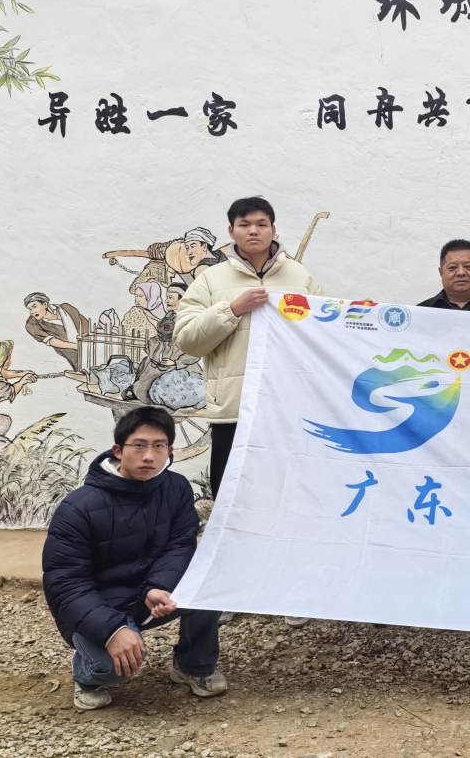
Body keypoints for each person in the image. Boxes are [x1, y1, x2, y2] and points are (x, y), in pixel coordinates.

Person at [175, 197, 322, 628]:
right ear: (231, 231)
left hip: (288, 412)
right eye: (244, 224)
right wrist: (231, 309)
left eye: (261, 223)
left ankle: (291, 589)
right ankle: (234, 589)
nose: (253, 231)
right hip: (233, 412)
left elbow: (323, 332)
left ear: (274, 230)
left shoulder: (299, 277)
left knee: (291, 500)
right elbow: (187, 340)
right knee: (232, 504)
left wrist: (356, 317)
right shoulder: (210, 280)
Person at [41, 407, 226, 711]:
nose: (149, 456)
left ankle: (192, 665)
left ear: (170, 452)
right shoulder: (78, 507)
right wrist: (112, 630)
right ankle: (88, 675)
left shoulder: (177, 488)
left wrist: (157, 586)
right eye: (139, 445)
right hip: (101, 603)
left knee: (210, 583)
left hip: (149, 594)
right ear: (118, 450)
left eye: (159, 446)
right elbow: (66, 584)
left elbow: (180, 546)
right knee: (114, 669)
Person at [24, 292, 89, 371]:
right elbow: (52, 341)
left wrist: (88, 344)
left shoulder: (65, 308)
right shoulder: (31, 324)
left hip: (88, 344)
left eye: (34, 306)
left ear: (45, 304)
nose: (33, 312)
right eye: (30, 309)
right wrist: (78, 347)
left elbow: (85, 326)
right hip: (69, 351)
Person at [0, 339, 37, 406]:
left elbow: (3, 373)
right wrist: (22, 381)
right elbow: (11, 391)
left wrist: (21, 373)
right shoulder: (1, 386)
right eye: (8, 357)